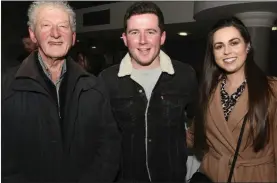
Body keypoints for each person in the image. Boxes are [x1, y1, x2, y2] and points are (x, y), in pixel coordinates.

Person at [2, 1, 121, 182]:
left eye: (63, 26)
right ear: (33, 35)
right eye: (46, 25)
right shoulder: (6, 87)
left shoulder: (94, 86)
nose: (55, 33)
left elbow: (109, 146)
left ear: (73, 37)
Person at [99, 1, 198, 182]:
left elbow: (196, 116)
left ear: (162, 37)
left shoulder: (184, 75)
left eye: (150, 32)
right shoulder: (107, 80)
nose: (142, 40)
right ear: (125, 38)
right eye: (134, 32)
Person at [187, 17, 277, 182]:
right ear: (213, 53)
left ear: (248, 46)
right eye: (219, 46)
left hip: (257, 177)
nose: (227, 51)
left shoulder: (272, 90)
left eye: (234, 43)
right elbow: (194, 135)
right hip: (213, 175)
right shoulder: (208, 90)